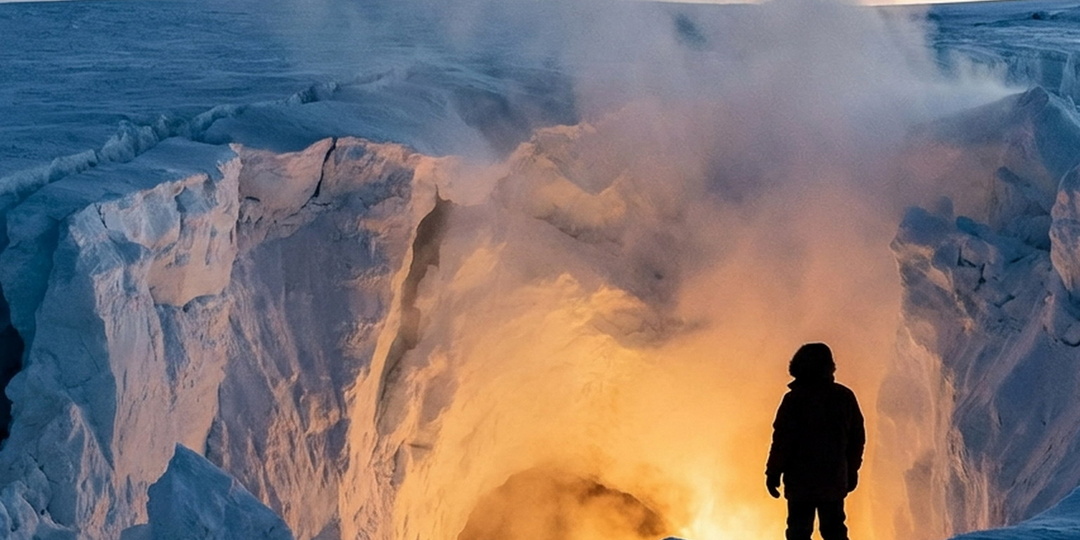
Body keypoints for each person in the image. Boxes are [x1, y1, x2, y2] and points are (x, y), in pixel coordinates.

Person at [765, 342, 865, 540]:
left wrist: (773, 473)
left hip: (800, 482)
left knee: (798, 532)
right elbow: (856, 439)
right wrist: (851, 470)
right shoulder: (844, 397)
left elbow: (782, 441)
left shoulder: (794, 400)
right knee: (834, 530)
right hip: (833, 480)